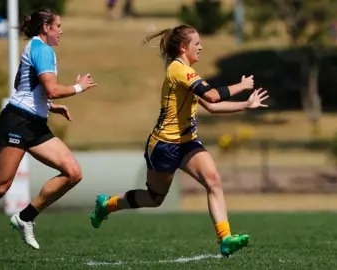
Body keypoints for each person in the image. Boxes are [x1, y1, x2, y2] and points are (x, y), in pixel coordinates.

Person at [89, 24, 269, 257]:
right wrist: (242, 87)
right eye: (197, 44)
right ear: (183, 47)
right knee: (155, 199)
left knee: (213, 180)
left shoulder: (187, 72)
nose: (201, 47)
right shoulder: (178, 70)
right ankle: (108, 205)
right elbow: (212, 96)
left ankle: (225, 238)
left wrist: (246, 104)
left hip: (187, 143)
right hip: (164, 145)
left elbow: (211, 107)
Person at [0, 8, 97, 263]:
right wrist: (78, 87)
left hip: (34, 123)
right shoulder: (42, 49)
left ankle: (25, 217)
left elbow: (25, 88)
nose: (61, 31)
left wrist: (50, 108)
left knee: (73, 173)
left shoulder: (38, 49)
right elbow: (50, 89)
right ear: (46, 28)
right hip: (16, 122)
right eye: (58, 26)